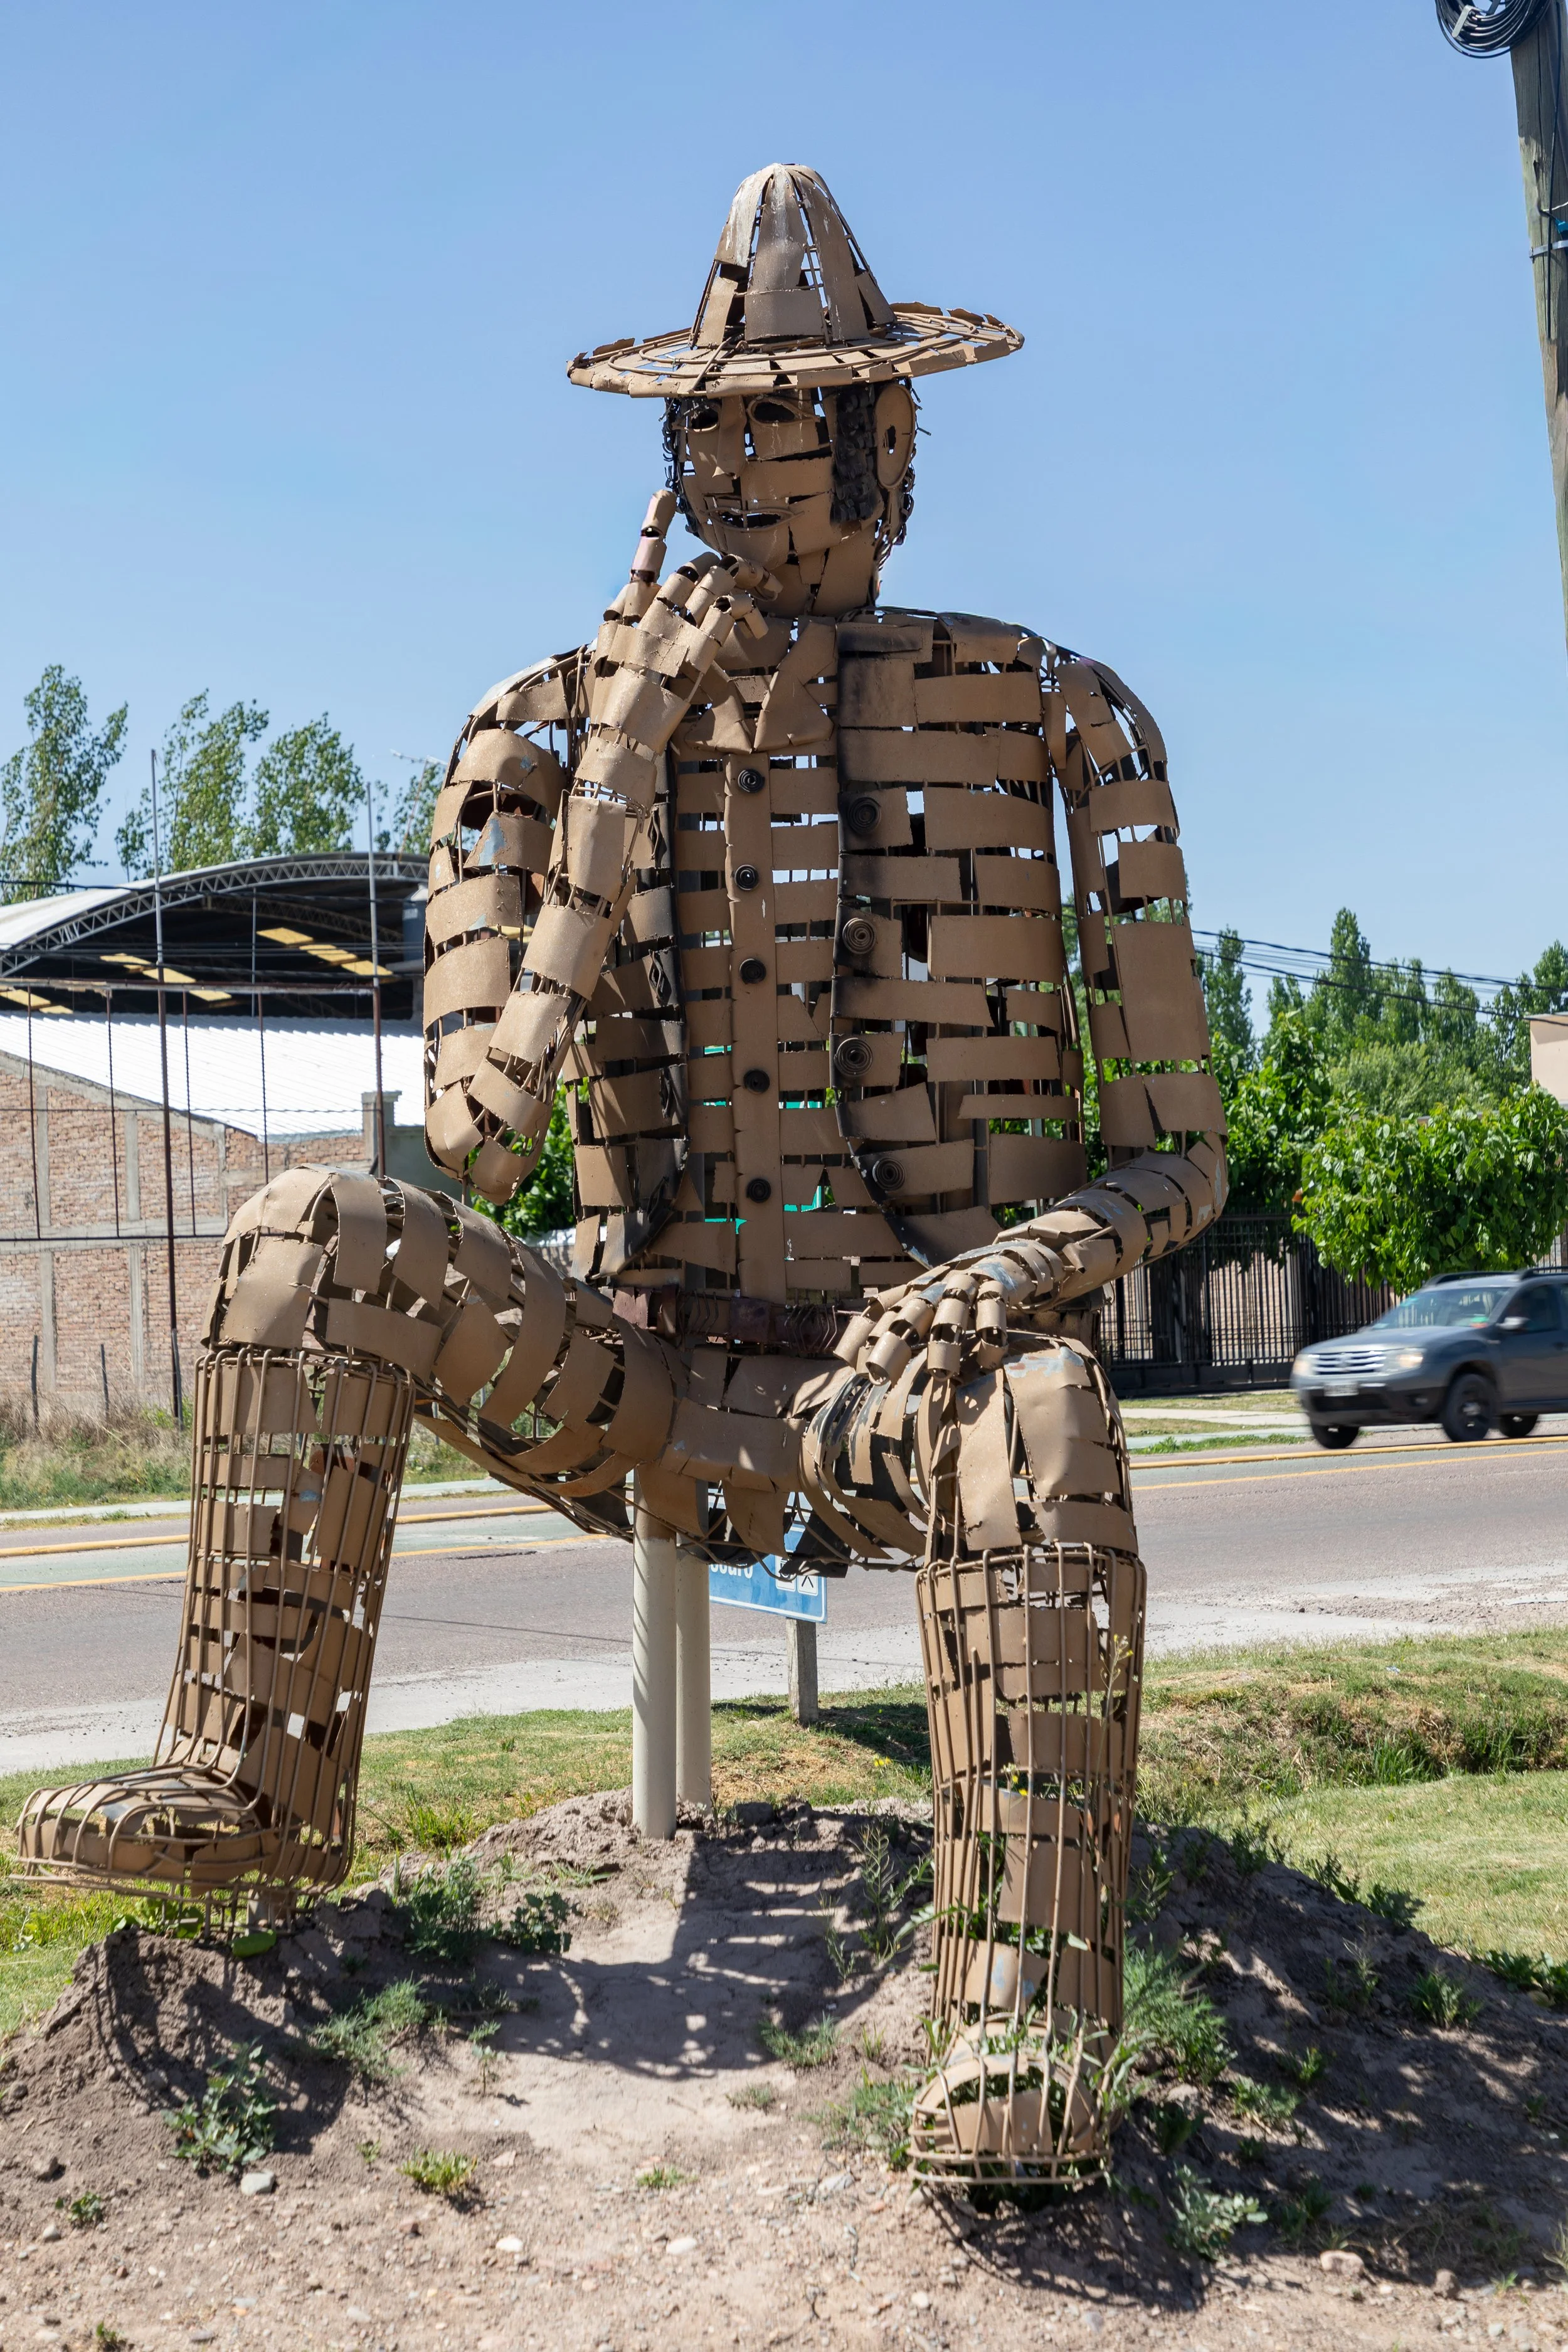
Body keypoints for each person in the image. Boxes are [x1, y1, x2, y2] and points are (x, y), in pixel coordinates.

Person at [20, 165, 1226, 2182]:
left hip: (914, 1400)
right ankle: (244, 1781)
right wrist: (618, 779)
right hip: (639, 1378)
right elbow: (480, 1135)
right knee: (298, 1236)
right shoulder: (534, 734)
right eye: (722, 433)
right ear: (670, 457)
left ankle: (1017, 2017)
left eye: (805, 429)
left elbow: (1174, 1160)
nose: (764, 480)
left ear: (893, 449)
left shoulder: (1055, 721)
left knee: (1039, 1417)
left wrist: (979, 1293)